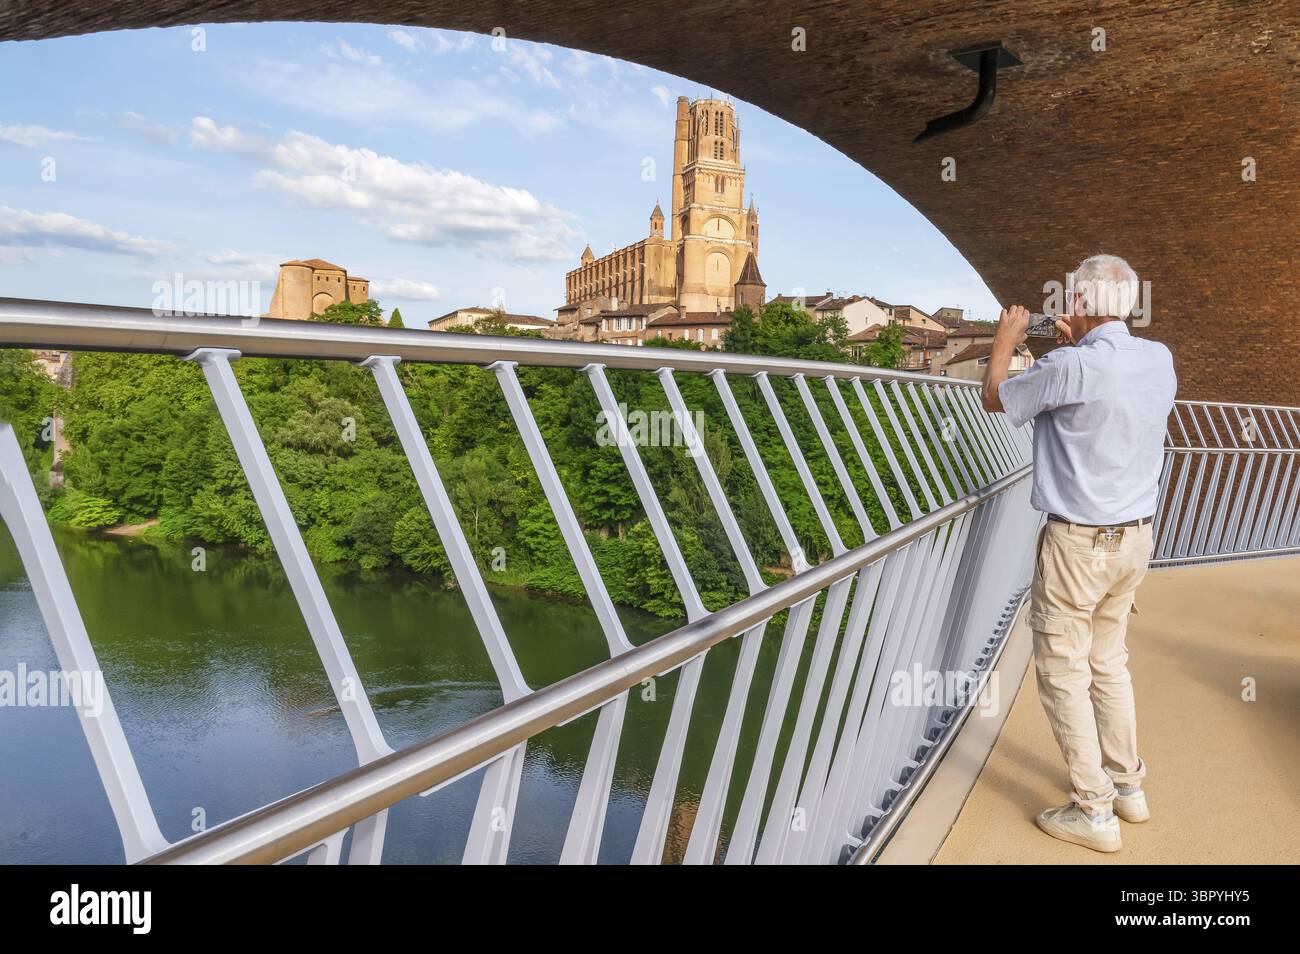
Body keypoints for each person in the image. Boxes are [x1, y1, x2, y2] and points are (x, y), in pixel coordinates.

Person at [981, 254, 1176, 853]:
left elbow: (997, 398)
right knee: (1109, 662)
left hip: (1078, 545)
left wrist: (1005, 341)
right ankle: (1128, 787)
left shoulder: (1069, 365)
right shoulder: (1158, 358)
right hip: (1135, 538)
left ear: (1084, 305)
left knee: (1063, 672)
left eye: (1072, 300)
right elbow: (1096, 388)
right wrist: (1077, 341)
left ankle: (1092, 811)